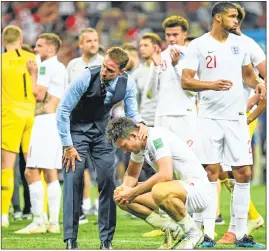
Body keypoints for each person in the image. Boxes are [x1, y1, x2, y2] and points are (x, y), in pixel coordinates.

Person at [181, 2, 266, 248]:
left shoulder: (242, 44)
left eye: (237, 17)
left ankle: (241, 235)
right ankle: (207, 235)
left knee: (244, 173)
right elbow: (186, 81)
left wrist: (258, 83)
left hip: (236, 118)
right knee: (211, 173)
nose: (236, 20)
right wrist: (211, 85)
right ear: (218, 18)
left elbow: (250, 74)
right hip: (208, 119)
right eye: (232, 16)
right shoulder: (198, 45)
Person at [56, 47, 147, 249]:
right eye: (104, 66)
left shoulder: (127, 83)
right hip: (77, 131)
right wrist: (67, 145)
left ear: (121, 72)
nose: (105, 72)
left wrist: (141, 124)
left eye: (111, 70)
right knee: (73, 179)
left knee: (108, 180)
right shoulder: (86, 76)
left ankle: (106, 241)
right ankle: (70, 240)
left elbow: (132, 112)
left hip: (103, 133)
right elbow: (62, 109)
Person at [106, 117, 214, 249]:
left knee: (158, 189)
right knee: (121, 196)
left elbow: (165, 174)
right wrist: (124, 190)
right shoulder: (139, 145)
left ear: (133, 135)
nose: (125, 151)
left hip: (198, 190)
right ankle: (173, 231)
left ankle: (193, 233)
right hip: (177, 191)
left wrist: (133, 192)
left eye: (124, 146)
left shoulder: (156, 138)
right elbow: (132, 174)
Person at [217, 3, 266, 244]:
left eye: (234, 17)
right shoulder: (212, 44)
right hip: (217, 114)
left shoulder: (248, 45)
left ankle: (235, 228)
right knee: (220, 171)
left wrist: (249, 113)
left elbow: (264, 78)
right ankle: (251, 218)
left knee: (234, 170)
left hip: (239, 114)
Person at [15, 33, 68, 234]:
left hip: (45, 121)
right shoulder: (60, 66)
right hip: (54, 121)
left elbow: (38, 93)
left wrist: (32, 73)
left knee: (31, 171)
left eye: (39, 46)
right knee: (50, 172)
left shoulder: (46, 66)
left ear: (51, 49)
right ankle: (52, 222)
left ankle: (39, 221)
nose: (35, 49)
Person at [67, 27, 104, 221]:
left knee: (101, 168)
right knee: (78, 168)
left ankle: (99, 206)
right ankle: (79, 210)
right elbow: (68, 94)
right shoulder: (73, 65)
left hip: (100, 124)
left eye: (95, 40)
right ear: (81, 44)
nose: (93, 44)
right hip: (77, 123)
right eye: (88, 40)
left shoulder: (105, 64)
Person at [2, 25, 36, 228]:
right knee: (33, 165)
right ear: (21, 39)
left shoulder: (1, 62)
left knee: (7, 168)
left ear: (3, 41)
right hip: (31, 115)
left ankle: (3, 215)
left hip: (9, 116)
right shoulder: (32, 59)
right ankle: (41, 215)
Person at [146, 16, 197, 150]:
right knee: (164, 160)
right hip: (162, 115)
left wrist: (176, 66)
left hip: (185, 115)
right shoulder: (159, 57)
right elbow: (150, 94)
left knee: (187, 160)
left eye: (175, 34)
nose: (171, 39)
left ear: (185, 35)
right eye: (168, 35)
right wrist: (156, 68)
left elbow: (192, 92)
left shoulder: (193, 57)